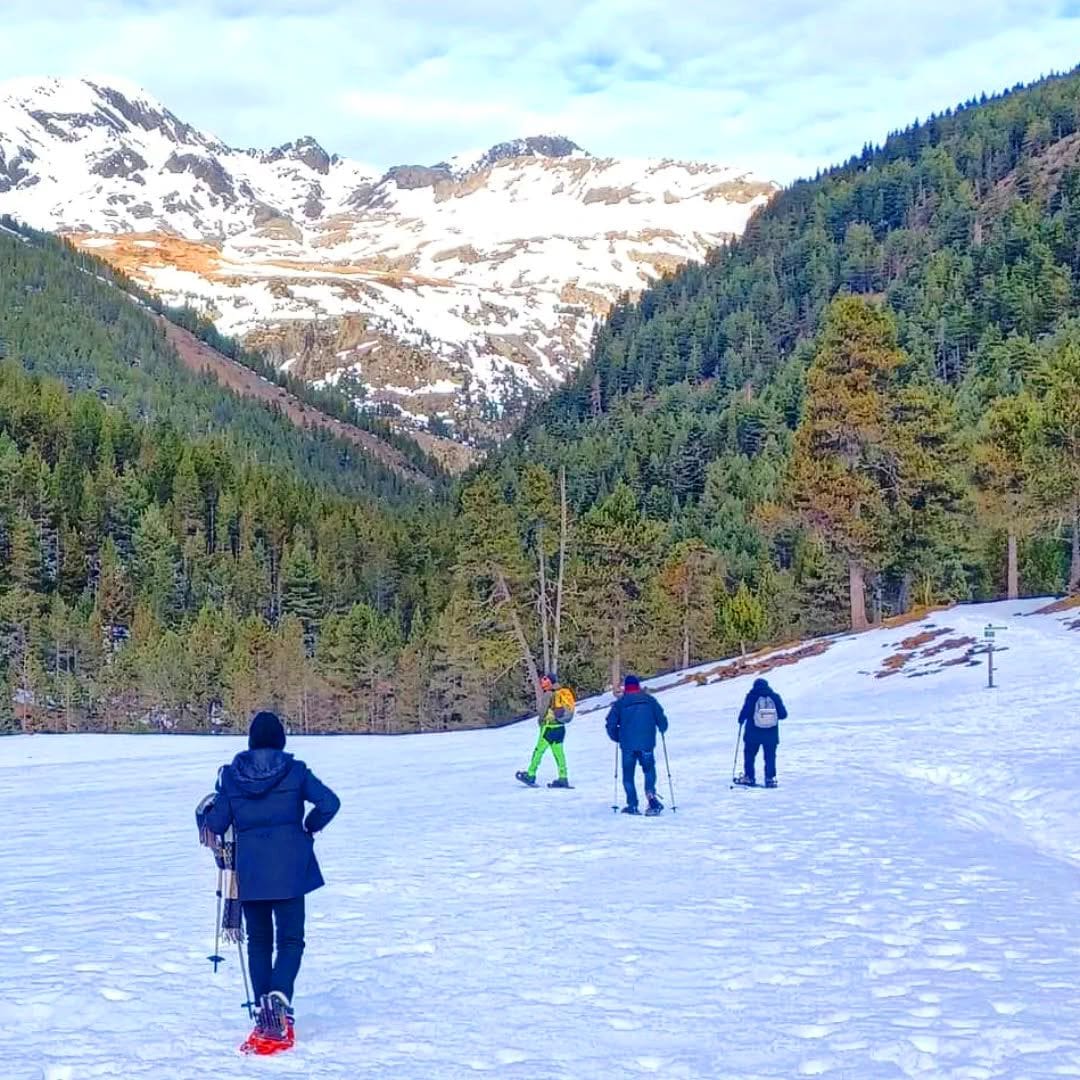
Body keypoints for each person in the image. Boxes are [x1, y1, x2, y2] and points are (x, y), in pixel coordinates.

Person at [199, 710, 340, 1054]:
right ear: (281, 740)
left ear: (251, 743)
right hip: (292, 868)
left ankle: (266, 1007)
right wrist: (308, 826)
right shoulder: (296, 770)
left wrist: (207, 808)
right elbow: (330, 803)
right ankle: (280, 997)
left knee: (259, 941)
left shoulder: (232, 777)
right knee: (291, 939)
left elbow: (215, 825)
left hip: (251, 872)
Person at [605, 674, 668, 815]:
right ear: (638, 686)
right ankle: (651, 796)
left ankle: (632, 805)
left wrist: (617, 737)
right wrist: (662, 728)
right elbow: (662, 719)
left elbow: (610, 724)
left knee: (628, 775)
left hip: (627, 745)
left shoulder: (620, 703)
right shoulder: (649, 700)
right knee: (649, 770)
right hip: (647, 743)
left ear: (626, 688)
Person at [515, 673, 576, 789]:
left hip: (549, 727)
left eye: (544, 680)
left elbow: (543, 711)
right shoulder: (562, 692)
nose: (542, 683)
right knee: (559, 754)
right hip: (560, 728)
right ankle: (563, 777)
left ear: (549, 682)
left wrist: (540, 720)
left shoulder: (549, 694)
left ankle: (531, 774)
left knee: (538, 751)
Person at [734, 677, 788, 788]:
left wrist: (740, 719)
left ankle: (749, 777)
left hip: (752, 734)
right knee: (770, 757)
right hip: (771, 734)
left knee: (749, 756)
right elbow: (783, 715)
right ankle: (770, 779)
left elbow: (746, 712)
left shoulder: (752, 697)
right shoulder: (774, 697)